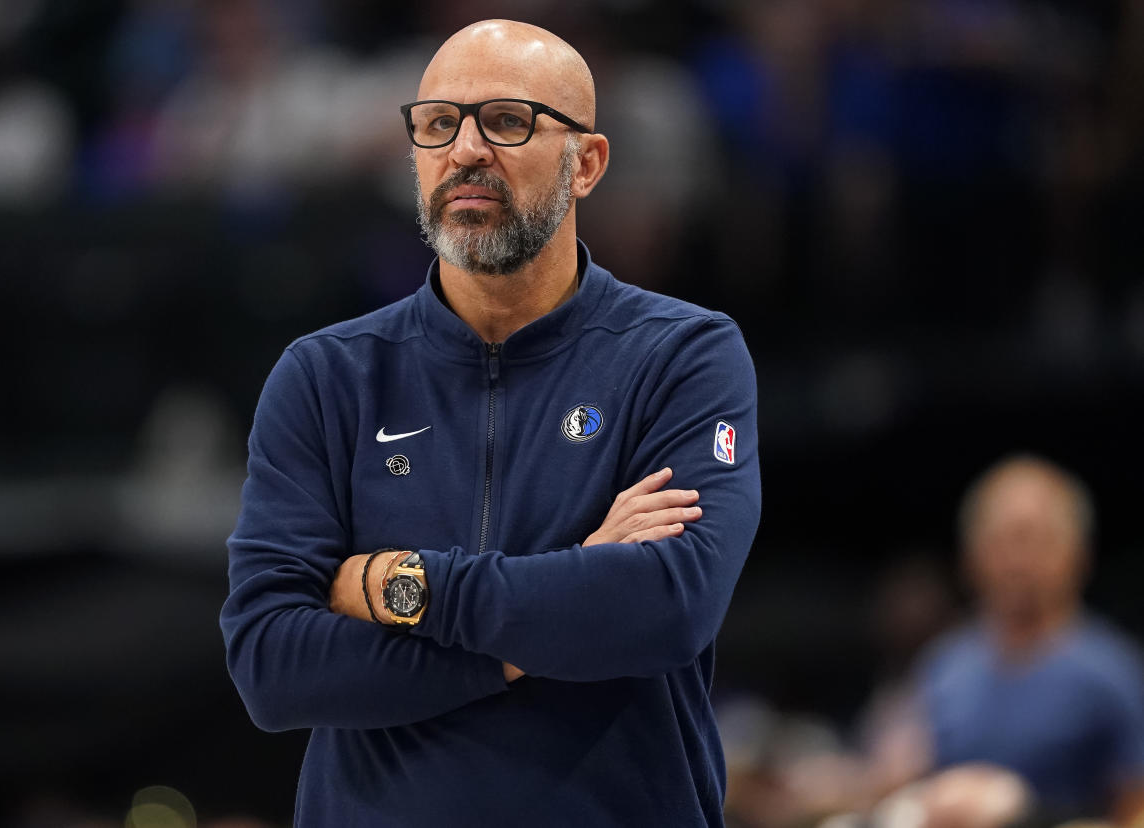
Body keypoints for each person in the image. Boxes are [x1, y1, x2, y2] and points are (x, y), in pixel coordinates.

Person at [219, 18, 761, 828]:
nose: (466, 149)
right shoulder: (326, 376)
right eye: (439, 123)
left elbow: (666, 609)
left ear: (588, 163)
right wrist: (553, 608)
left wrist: (397, 586)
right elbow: (272, 665)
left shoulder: (683, 354)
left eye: (508, 121)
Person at [891, 455, 1144, 824]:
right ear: (970, 556)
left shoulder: (1112, 672)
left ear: (1078, 554)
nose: (1016, 560)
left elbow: (1135, 809)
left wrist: (1030, 815)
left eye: (1032, 539)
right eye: (1000, 541)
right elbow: (905, 775)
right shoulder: (944, 667)